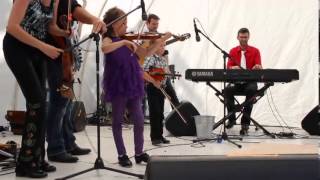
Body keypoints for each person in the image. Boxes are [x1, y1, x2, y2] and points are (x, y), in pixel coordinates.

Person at [101, 7, 171, 167]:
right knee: (117, 120)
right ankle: (121, 154)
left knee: (139, 120)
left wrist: (160, 40)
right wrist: (124, 41)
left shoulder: (129, 40)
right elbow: (104, 49)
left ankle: (139, 153)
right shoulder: (108, 39)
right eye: (124, 22)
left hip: (133, 83)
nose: (127, 26)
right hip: (117, 84)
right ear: (115, 24)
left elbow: (145, 54)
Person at [3, 0, 64, 178]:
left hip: (37, 51)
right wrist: (43, 46)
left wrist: (64, 32)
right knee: (37, 103)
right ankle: (25, 163)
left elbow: (49, 27)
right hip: (17, 48)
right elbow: (12, 27)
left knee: (41, 106)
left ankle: (37, 158)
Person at [46, 0, 105, 163]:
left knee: (66, 101)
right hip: (54, 55)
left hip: (64, 58)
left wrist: (94, 20)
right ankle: (55, 148)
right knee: (58, 101)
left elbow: (74, 8)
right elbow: (72, 11)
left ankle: (68, 142)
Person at [224, 28, 263, 135]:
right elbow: (228, 67)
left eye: (245, 37)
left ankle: (245, 122)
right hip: (236, 81)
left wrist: (257, 67)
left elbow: (259, 66)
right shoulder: (232, 51)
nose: (243, 39)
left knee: (252, 91)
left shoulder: (255, 51)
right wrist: (233, 68)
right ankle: (231, 119)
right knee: (227, 90)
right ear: (237, 37)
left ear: (248, 37)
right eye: (241, 37)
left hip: (250, 82)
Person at [143, 42, 176, 145]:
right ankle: (154, 137)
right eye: (161, 46)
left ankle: (160, 135)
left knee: (160, 113)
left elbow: (165, 74)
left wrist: (168, 75)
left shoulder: (163, 59)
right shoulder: (150, 58)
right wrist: (153, 81)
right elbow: (143, 71)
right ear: (155, 47)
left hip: (161, 87)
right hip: (152, 87)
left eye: (164, 46)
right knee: (155, 112)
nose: (163, 48)